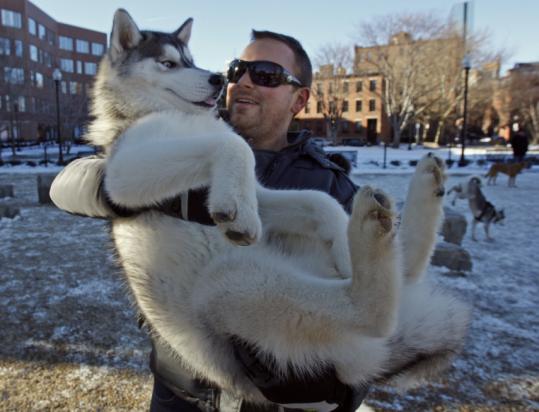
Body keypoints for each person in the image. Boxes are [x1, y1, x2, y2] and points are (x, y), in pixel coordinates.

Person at [50, 30, 361, 411]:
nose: (243, 82)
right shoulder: (188, 129)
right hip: (182, 393)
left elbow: (383, 301)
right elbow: (67, 183)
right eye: (238, 70)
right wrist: (122, 192)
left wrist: (344, 393)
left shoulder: (331, 184)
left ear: (300, 98)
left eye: (265, 74)